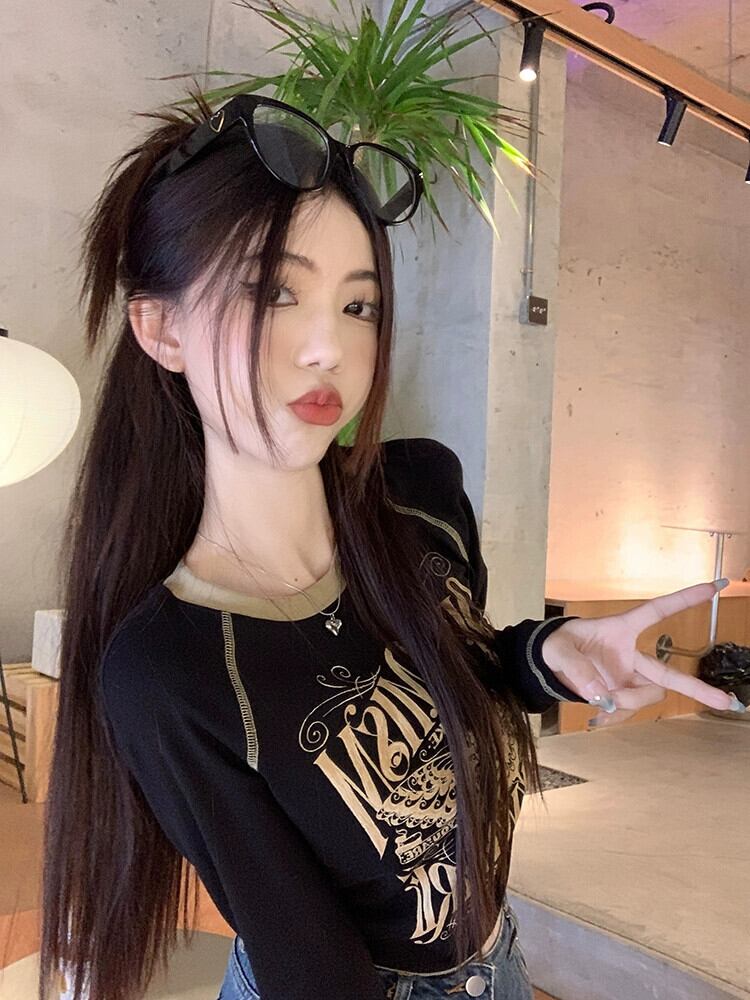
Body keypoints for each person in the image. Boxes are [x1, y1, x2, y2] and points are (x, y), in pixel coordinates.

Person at [39, 89, 742, 1000]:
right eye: (274, 291)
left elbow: (461, 664)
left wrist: (548, 656)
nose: (328, 347)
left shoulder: (419, 495)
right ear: (161, 328)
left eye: (359, 305)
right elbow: (309, 964)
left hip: (499, 959)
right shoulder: (170, 669)